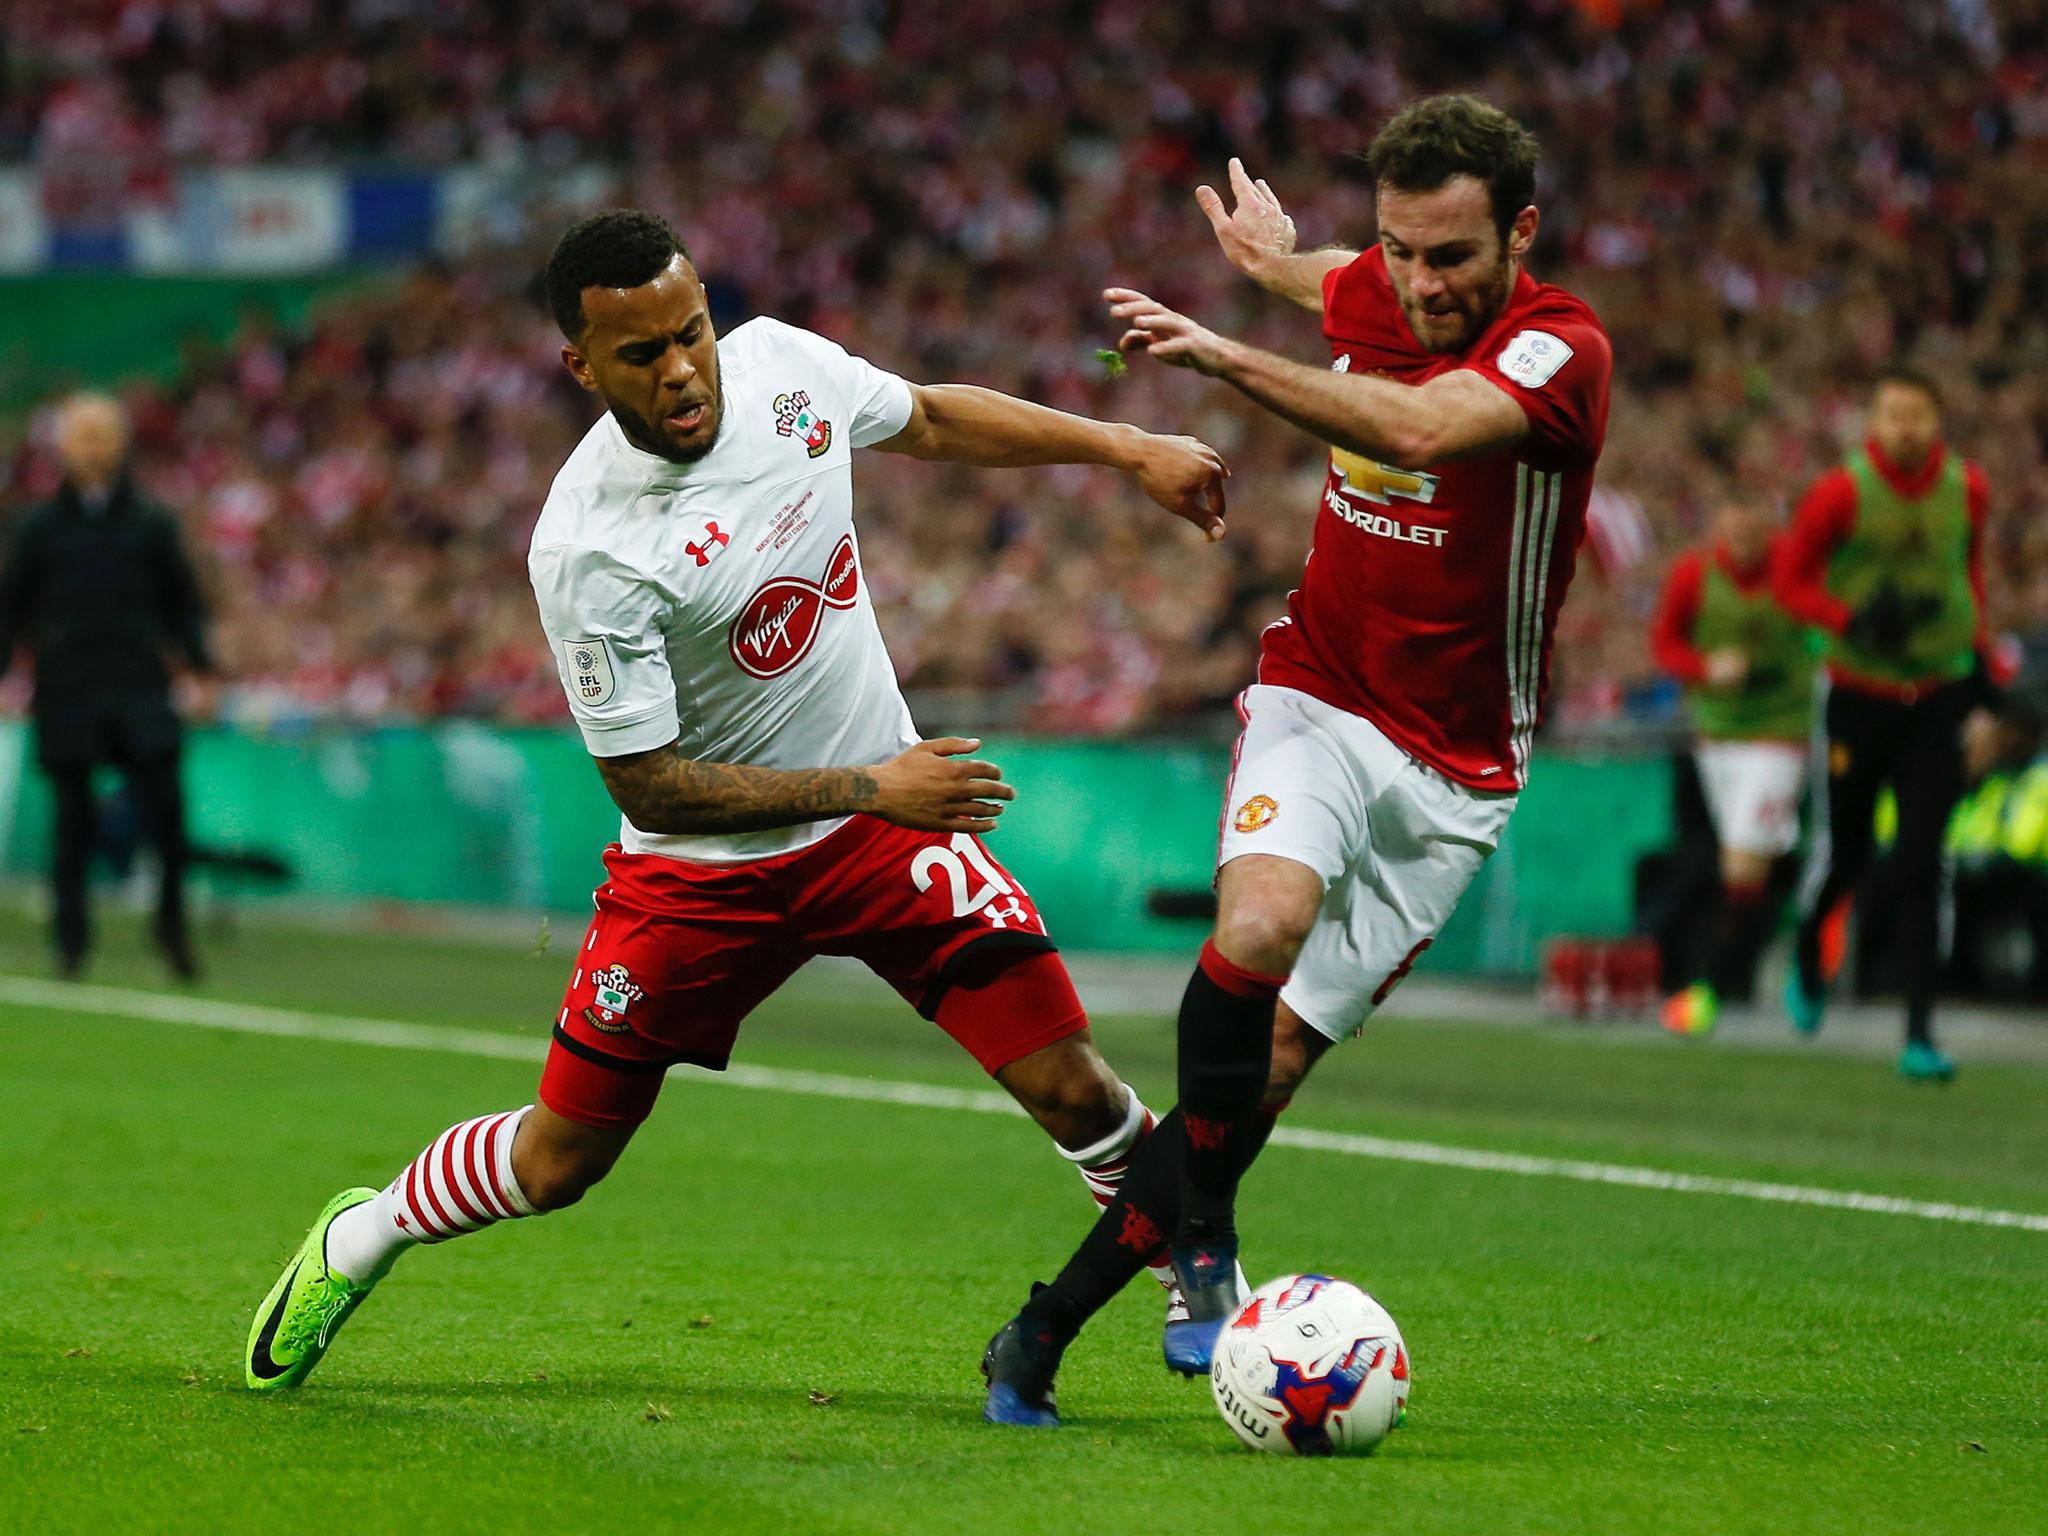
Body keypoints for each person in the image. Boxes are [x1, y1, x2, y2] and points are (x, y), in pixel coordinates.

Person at [242, 209, 1230, 1390]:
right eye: (642, 354)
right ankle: (363, 1234)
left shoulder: (784, 370)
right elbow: (647, 787)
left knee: (1071, 1083)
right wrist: (875, 783)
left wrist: (1122, 444)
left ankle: (1188, 1267)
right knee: (559, 1163)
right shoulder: (589, 550)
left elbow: (928, 417)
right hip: (706, 876)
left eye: (690, 333)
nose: (682, 370)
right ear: (580, 364)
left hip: (880, 835)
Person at [982, 93, 1611, 1428]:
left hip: (1457, 775)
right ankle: (1074, 1316)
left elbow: (1426, 431)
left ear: (1521, 236)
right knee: (1260, 920)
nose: (1417, 282)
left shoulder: (1561, 350)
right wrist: (1280, 266)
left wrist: (1222, 348)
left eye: (1450, 256)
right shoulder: (1376, 288)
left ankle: (1116, 1271)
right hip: (1320, 690)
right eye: (1398, 250)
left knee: (1259, 1077)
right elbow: (1337, 281)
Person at [1771, 368, 2002, 1082]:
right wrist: (1853, 620)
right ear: (1872, 423)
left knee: (1923, 860)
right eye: (1892, 414)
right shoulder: (1839, 492)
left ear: (1938, 421)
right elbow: (1789, 581)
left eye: (1918, 415)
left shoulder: (1969, 489)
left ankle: (1920, 1031)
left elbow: (1971, 579)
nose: (1906, 428)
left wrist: (1984, 678)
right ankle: (1810, 954)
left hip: (1937, 694)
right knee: (1846, 852)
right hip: (1857, 693)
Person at [0, 392, 211, 980]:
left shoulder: (151, 522)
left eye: (101, 432)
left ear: (121, 442)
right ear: (63, 446)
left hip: (139, 686)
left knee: (167, 812)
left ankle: (171, 926)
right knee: (70, 822)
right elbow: (11, 608)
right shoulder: (38, 527)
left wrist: (199, 668)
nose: (91, 445)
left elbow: (183, 603)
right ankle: (71, 942)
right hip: (69, 686)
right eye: (80, 433)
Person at [1647, 493, 1815, 1035]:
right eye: (1732, 535)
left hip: (1779, 735)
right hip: (1716, 737)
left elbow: (1824, 620)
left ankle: (1710, 991)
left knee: (1743, 862)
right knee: (1740, 862)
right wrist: (1704, 667)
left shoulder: (1794, 571)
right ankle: (1780, 952)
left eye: (1752, 535)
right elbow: (1665, 645)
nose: (1742, 546)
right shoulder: (1694, 574)